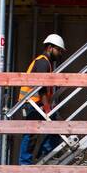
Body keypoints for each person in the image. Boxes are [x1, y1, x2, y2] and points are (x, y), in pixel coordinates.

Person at [18, 33, 66, 165]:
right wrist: (47, 108)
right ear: (50, 48)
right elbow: (42, 87)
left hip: (35, 103)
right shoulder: (43, 62)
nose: (60, 54)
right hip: (32, 104)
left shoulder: (45, 63)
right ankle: (26, 163)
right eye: (59, 50)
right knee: (31, 134)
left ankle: (41, 156)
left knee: (52, 127)